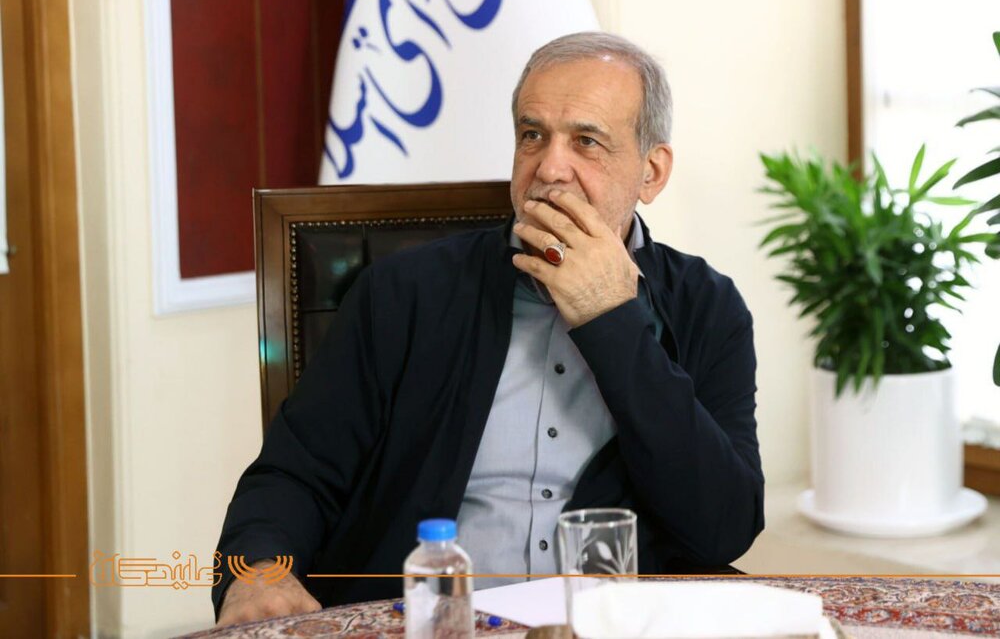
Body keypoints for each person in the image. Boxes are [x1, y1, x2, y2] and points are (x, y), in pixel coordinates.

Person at [214, 31, 764, 626]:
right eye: (533, 135)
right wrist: (258, 573)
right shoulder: (402, 293)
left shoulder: (708, 307)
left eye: (586, 141)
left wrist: (611, 320)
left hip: (606, 624)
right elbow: (295, 475)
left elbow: (723, 527)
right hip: (426, 623)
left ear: (650, 173)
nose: (550, 167)